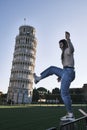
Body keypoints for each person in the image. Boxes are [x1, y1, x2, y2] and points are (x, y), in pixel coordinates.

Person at [34, 31, 75, 121]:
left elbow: (72, 49)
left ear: (64, 44)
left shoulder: (67, 50)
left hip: (69, 72)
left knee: (64, 94)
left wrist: (68, 40)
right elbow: (66, 67)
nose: (60, 46)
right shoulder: (63, 54)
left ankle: (70, 114)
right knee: (52, 69)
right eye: (59, 45)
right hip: (66, 72)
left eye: (61, 44)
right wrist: (61, 76)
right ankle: (38, 78)